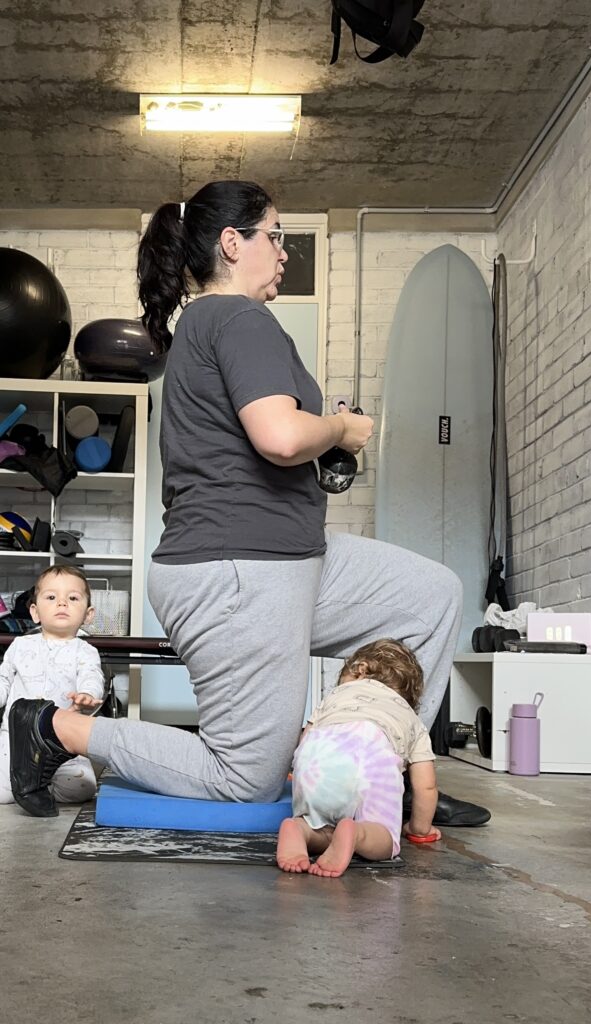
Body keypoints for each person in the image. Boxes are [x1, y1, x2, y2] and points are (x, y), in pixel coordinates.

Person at [7, 179, 490, 828]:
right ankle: (54, 728)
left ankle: (391, 775)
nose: (285, 252)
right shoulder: (236, 317)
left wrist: (323, 442)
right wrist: (340, 431)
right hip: (237, 572)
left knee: (428, 596)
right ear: (233, 244)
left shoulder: (209, 328)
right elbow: (281, 435)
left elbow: (267, 444)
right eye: (276, 236)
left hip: (287, 559)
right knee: (246, 779)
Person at [277, 638, 441, 877]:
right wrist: (419, 828)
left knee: (319, 823)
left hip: (318, 758)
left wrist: (297, 772)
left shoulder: (333, 699)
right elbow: (425, 785)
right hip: (371, 757)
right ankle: (358, 834)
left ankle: (301, 829)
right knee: (383, 838)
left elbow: (306, 740)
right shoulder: (410, 718)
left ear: (356, 671)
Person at [2, 566, 103, 816]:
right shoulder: (20, 645)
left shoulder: (85, 651)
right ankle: (22, 781)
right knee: (2, 793)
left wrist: (87, 696)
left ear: (88, 614)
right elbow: (3, 677)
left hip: (62, 743)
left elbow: (92, 676)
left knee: (83, 787)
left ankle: (38, 785)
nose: (62, 603)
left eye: (72, 598)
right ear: (35, 612)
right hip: (15, 740)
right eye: (51, 597)